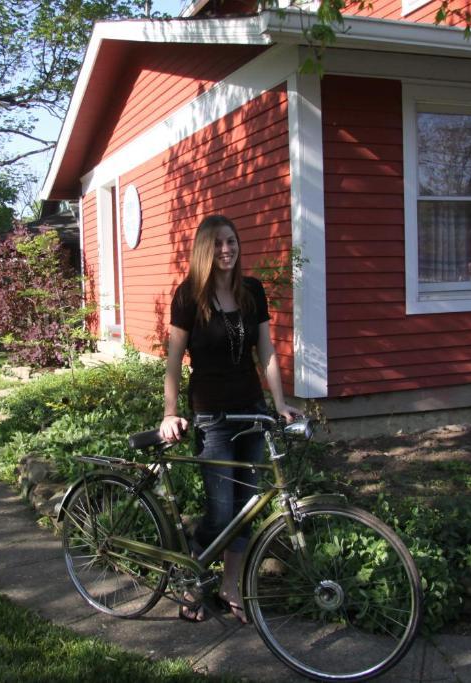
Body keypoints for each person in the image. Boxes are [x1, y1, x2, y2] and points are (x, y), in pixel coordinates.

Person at [158, 214, 301, 624]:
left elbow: (267, 351)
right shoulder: (188, 297)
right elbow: (172, 361)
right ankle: (192, 581)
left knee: (246, 509)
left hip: (252, 413)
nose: (227, 249)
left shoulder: (252, 291)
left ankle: (230, 587)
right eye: (219, 243)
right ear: (206, 248)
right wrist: (170, 413)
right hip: (213, 418)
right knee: (221, 513)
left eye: (232, 242)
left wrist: (279, 403)